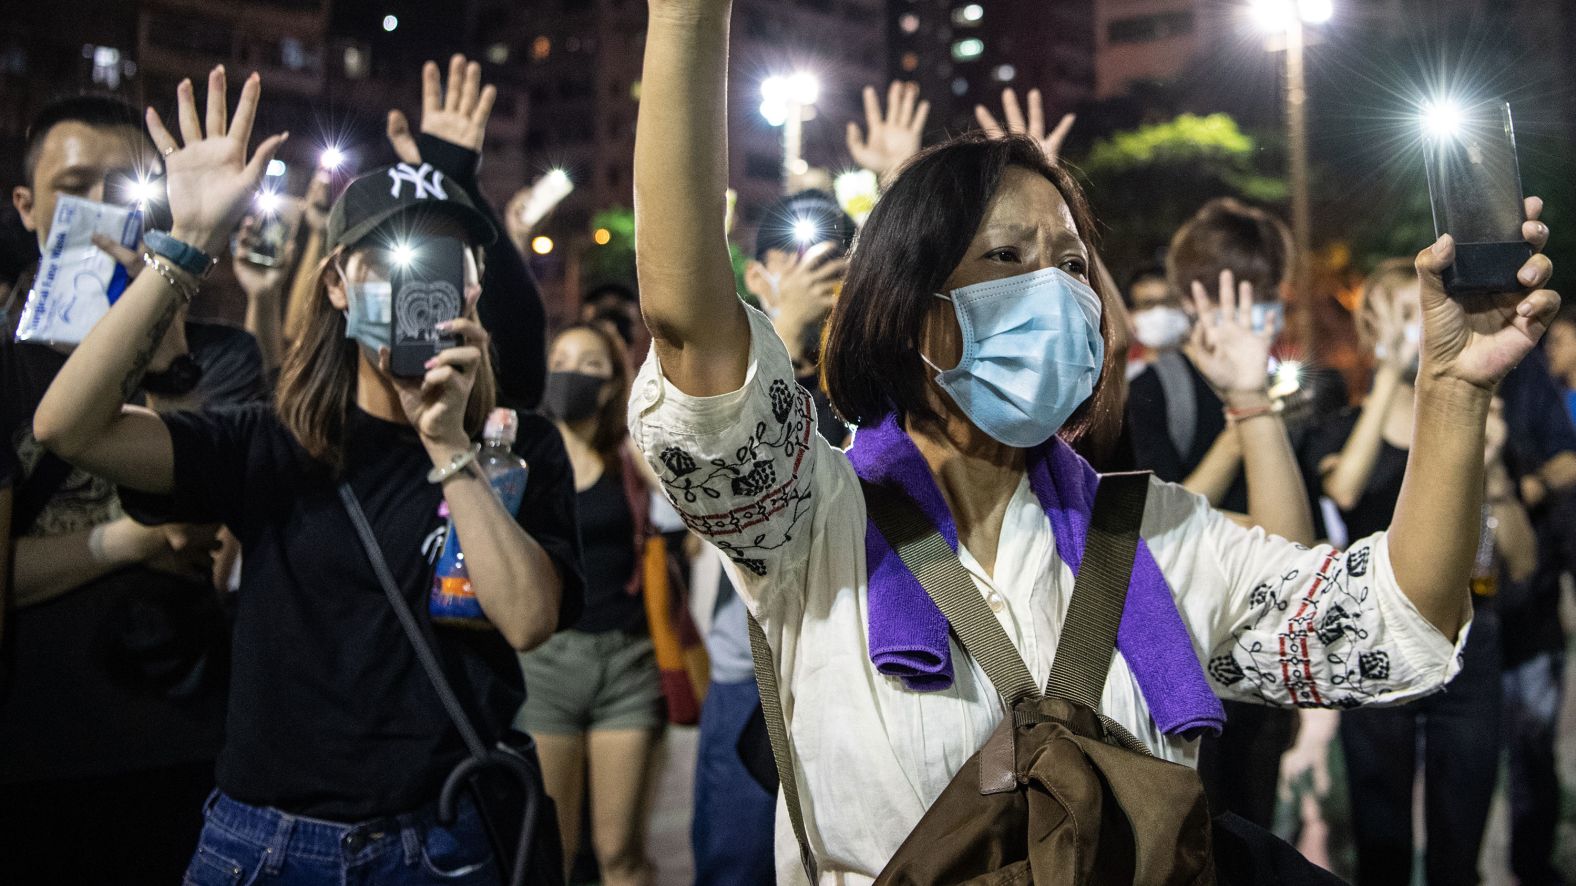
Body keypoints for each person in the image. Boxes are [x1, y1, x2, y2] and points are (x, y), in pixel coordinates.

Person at [632, 2, 1558, 881]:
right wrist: (687, 20)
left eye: (1072, 265)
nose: (1058, 293)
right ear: (913, 308)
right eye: (1008, 259)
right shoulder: (810, 521)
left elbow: (1401, 620)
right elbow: (689, 332)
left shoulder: (1157, 534)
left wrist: (1452, 387)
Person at [32, 68, 583, 884]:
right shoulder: (272, 442)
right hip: (264, 847)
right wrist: (186, 247)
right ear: (335, 284)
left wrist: (448, 445)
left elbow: (529, 619)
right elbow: (67, 426)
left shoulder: (517, 440)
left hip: (442, 840)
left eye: (445, 259)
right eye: (388, 258)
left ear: (473, 285)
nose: (414, 284)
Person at [0, 93, 266, 884]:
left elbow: (203, 548)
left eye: (123, 189)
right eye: (74, 185)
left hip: (183, 743)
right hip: (30, 755)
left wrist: (167, 355)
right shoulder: (5, 364)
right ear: (25, 207)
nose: (98, 211)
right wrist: (130, 539)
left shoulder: (222, 357)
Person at [1308, 259, 1536, 885]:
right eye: (1399, 315)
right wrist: (1386, 373)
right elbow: (1348, 491)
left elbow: (1523, 559)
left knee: (1458, 841)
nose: (1415, 329)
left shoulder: (1474, 422)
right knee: (1379, 839)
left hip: (1469, 641)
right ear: (1371, 327)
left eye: (1420, 312)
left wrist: (1491, 472)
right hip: (1374, 639)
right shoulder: (1341, 427)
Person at [1123, 197, 1321, 828]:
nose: (1254, 308)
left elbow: (1292, 546)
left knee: (1253, 827)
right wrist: (1243, 421)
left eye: (1266, 291)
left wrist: (1252, 401)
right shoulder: (1156, 390)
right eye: (1236, 290)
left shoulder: (1276, 393)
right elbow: (1166, 516)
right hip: (1179, 664)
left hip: (1260, 657)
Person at [516, 322, 664, 886]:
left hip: (628, 666)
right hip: (547, 665)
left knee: (620, 852)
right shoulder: (520, 459)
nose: (570, 374)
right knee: (554, 852)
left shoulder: (628, 457)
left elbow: (690, 503)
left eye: (590, 366)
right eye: (561, 359)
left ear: (609, 387)